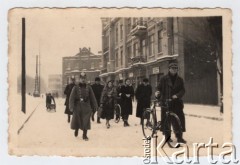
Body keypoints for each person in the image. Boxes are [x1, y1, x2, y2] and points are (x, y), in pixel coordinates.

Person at [156, 60, 186, 143]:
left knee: (179, 119)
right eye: (173, 68)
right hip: (166, 102)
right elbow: (159, 88)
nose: (174, 70)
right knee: (166, 120)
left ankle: (179, 137)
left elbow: (183, 90)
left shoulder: (180, 79)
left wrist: (177, 95)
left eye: (176, 68)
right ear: (169, 69)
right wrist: (158, 92)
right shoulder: (163, 79)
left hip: (176, 103)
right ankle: (167, 137)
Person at [69, 72, 98, 141]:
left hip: (86, 106)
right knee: (77, 119)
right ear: (79, 79)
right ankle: (76, 129)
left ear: (86, 79)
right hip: (77, 106)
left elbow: (92, 97)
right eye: (81, 79)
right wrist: (71, 106)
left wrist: (95, 105)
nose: (83, 80)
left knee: (86, 120)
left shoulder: (89, 87)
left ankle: (85, 134)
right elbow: (71, 98)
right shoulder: (75, 87)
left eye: (84, 78)